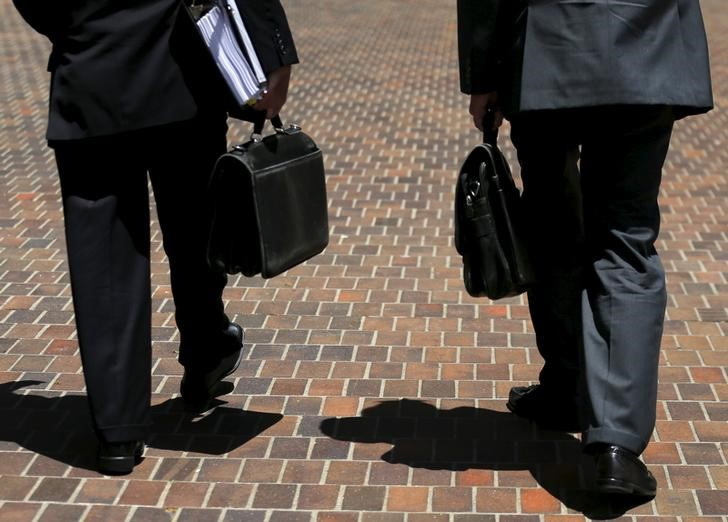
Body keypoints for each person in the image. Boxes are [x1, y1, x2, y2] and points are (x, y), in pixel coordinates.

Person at [11, 0, 299, 475]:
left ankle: (118, 431)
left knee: (103, 259)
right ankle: (207, 350)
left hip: (92, 68)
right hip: (179, 68)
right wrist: (273, 50)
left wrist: (78, 28)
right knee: (194, 230)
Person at [457, 0, 712, 498]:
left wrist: (483, 75)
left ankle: (568, 390)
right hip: (648, 41)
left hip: (545, 48)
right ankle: (615, 444)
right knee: (624, 241)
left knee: (553, 232)